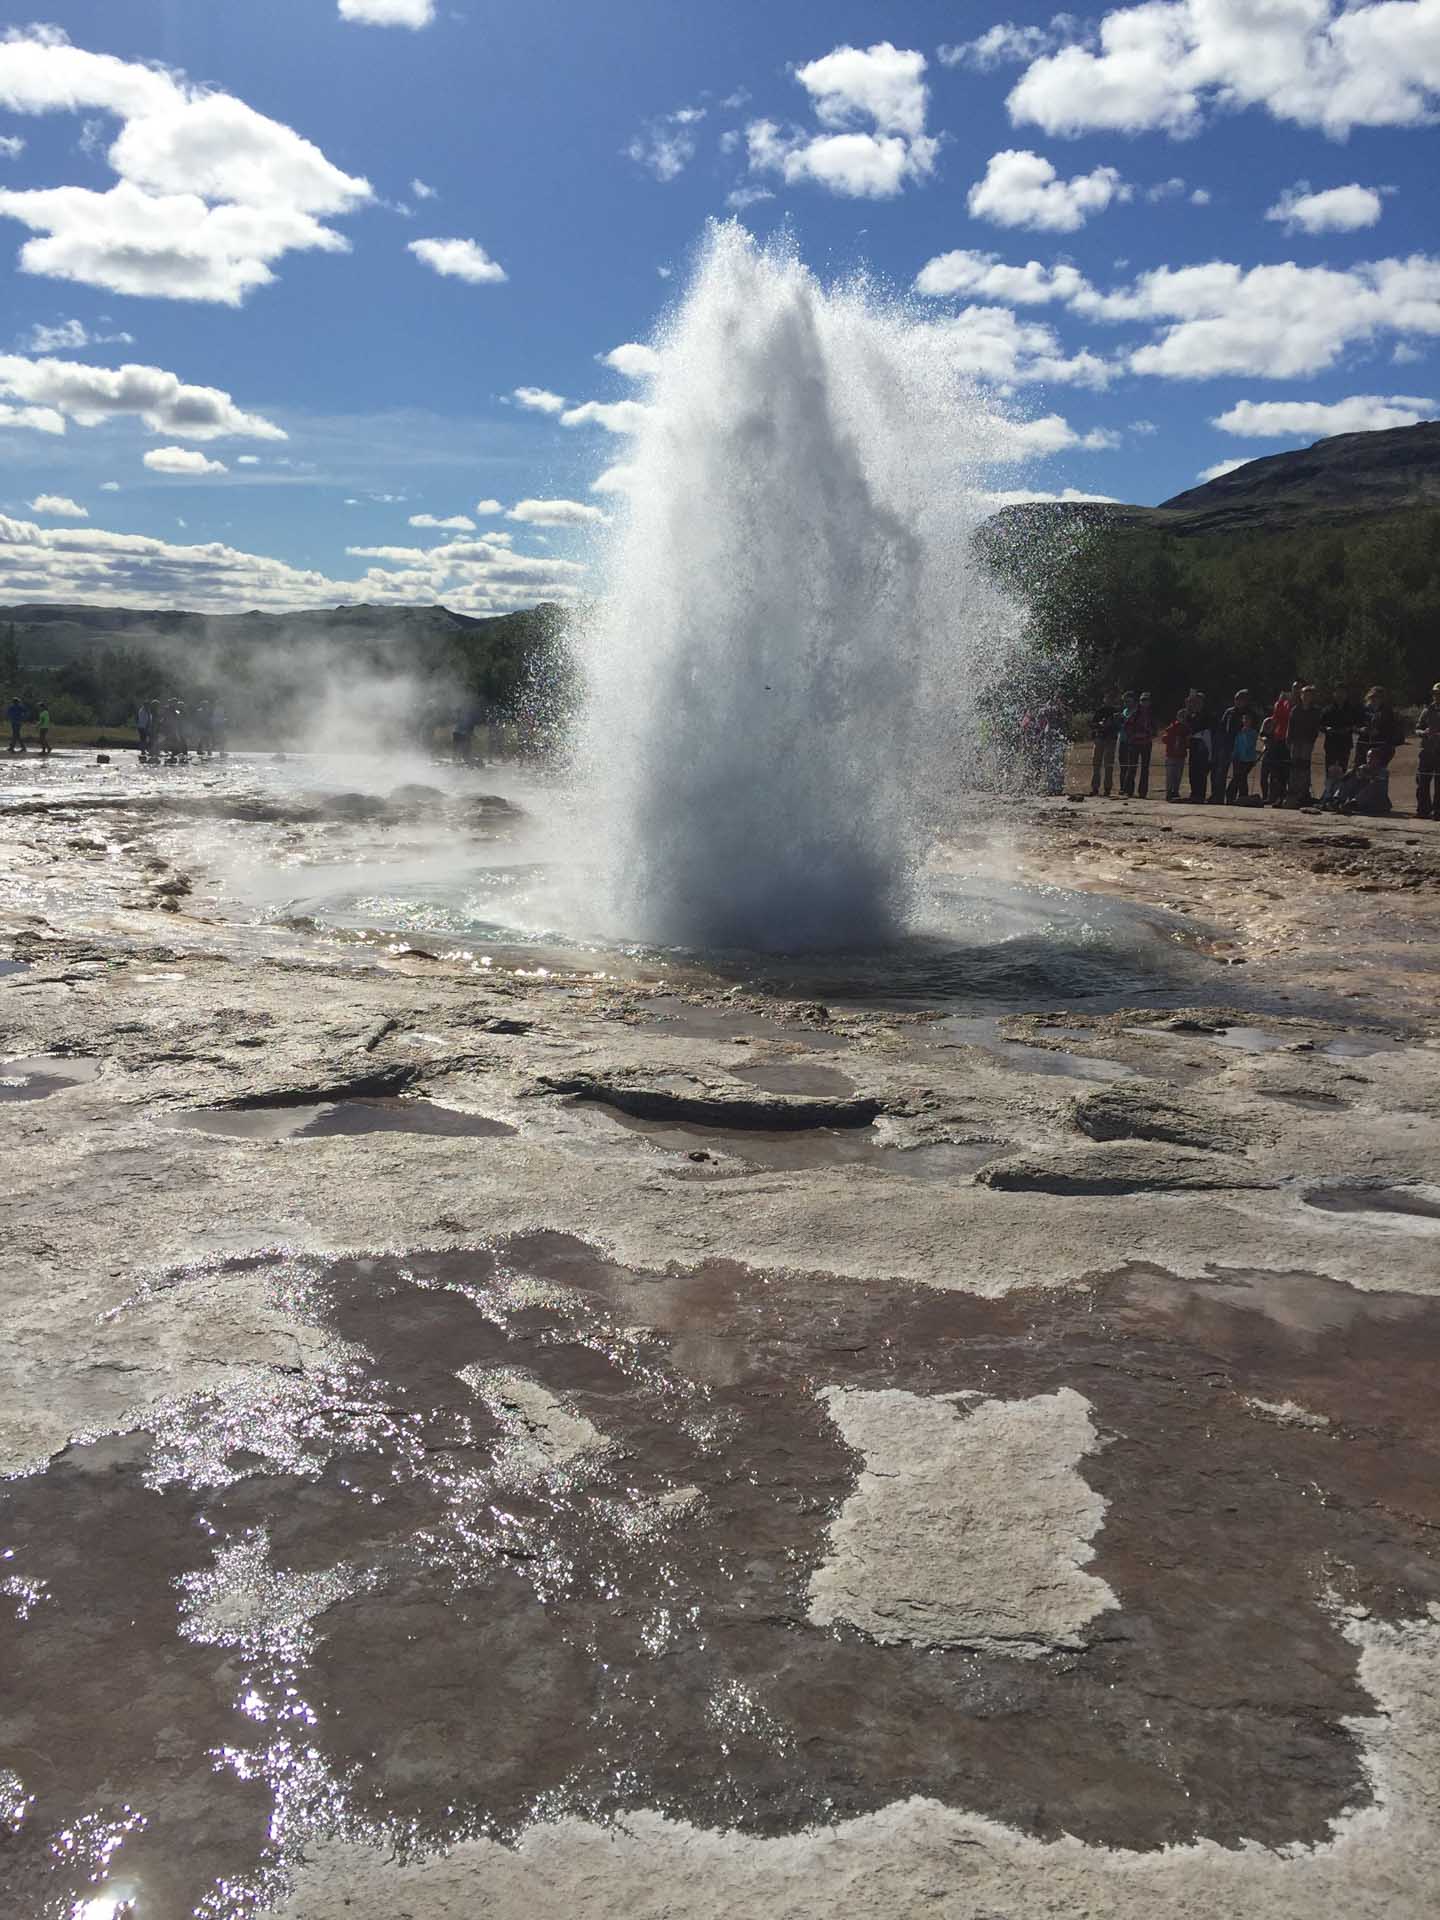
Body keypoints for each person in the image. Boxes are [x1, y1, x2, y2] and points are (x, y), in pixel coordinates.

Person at [1283, 684, 1323, 806]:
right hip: (1295, 741)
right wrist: (1288, 739)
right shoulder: (1295, 710)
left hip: (1307, 742)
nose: (1306, 697)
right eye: (1304, 694)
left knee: (1304, 766)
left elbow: (1316, 727)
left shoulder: (1315, 711)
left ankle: (1304, 791)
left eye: (1309, 695)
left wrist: (1312, 739)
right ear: (1301, 696)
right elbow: (1290, 726)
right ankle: (1292, 791)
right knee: (1294, 766)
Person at [1326, 747, 1393, 816]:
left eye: (1373, 757)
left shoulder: (1383, 771)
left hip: (1376, 803)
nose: (1369, 759)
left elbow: (1377, 781)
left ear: (1378, 759)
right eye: (1368, 757)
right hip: (1361, 802)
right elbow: (1347, 779)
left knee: (1374, 784)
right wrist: (1350, 773)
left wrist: (1365, 775)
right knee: (1350, 779)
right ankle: (1337, 801)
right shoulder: (1362, 768)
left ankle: (1353, 804)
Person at [1214, 688, 1252, 804]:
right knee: (1221, 772)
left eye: (1241, 699)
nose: (1238, 701)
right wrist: (1221, 743)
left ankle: (1237, 798)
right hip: (1227, 745)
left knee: (1239, 774)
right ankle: (1219, 797)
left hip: (1241, 747)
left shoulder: (1249, 714)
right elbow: (1222, 727)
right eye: (1236, 699)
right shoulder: (1229, 712)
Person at [1119, 690, 1154, 798]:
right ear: (1139, 701)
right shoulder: (1135, 713)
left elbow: (1155, 728)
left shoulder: (1151, 714)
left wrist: (1150, 733)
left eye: (1147, 700)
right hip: (1134, 744)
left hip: (1146, 743)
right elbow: (1127, 725)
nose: (1145, 702)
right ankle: (1128, 791)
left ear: (1150, 702)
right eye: (1143, 700)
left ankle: (1143, 792)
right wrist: (1132, 736)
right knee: (1132, 767)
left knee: (1145, 768)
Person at [1358, 685, 1404, 767]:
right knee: (1361, 768)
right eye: (1373, 696)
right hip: (1364, 745)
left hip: (1381, 745)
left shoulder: (1387, 711)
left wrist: (1379, 732)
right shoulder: (1363, 710)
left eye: (1378, 697)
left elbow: (1392, 729)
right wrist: (1361, 729)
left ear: (1383, 699)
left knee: (1379, 769)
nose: (1375, 699)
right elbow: (1356, 724)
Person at [1089, 691, 1121, 796]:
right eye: (1107, 698)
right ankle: (1095, 787)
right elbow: (1092, 724)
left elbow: (1119, 726)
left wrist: (1112, 724)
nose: (1108, 700)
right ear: (1104, 700)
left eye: (1110, 699)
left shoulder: (1116, 712)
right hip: (1099, 739)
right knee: (1096, 764)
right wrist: (1100, 725)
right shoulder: (1099, 711)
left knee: (1109, 765)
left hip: (1110, 740)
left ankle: (1107, 788)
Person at [1184, 690, 1213, 802]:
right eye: (1195, 702)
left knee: (1201, 771)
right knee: (1193, 770)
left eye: (1198, 701)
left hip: (1203, 744)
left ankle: (1200, 795)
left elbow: (1205, 729)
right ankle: (1194, 793)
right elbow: (1188, 724)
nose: (1196, 704)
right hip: (1194, 744)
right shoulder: (1193, 714)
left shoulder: (1207, 714)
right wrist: (1188, 707)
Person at [1417, 683, 1440, 820]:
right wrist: (1423, 732)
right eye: (1435, 694)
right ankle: (1423, 810)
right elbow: (1417, 728)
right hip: (1426, 751)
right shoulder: (1427, 710)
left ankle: (1437, 811)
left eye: (1439, 694)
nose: (1437, 696)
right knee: (1422, 780)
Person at [1259, 709, 1290, 805]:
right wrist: (1265, 739)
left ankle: (1272, 797)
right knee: (1263, 776)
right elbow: (1262, 734)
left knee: (1275, 776)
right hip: (1267, 751)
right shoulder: (1267, 721)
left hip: (1278, 752)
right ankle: (1265, 796)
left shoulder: (1284, 722)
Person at [1228, 710, 1260, 801]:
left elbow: (1250, 745)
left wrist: (1245, 734)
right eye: (1244, 719)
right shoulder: (1238, 732)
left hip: (1248, 760)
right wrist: (1234, 755)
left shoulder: (1253, 733)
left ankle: (1240, 796)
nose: (1246, 721)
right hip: (1238, 759)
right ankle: (1235, 797)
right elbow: (1236, 745)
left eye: (1248, 719)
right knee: (1240, 778)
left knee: (1240, 777)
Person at [1161, 709, 1189, 802]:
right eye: (1181, 716)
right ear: (1178, 717)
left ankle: (1175, 792)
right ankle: (1169, 793)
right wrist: (1174, 739)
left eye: (1185, 717)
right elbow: (1164, 739)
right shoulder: (1172, 727)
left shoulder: (1187, 728)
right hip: (1171, 755)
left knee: (1178, 775)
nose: (1183, 719)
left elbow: (1188, 742)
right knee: (1170, 776)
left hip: (1181, 756)